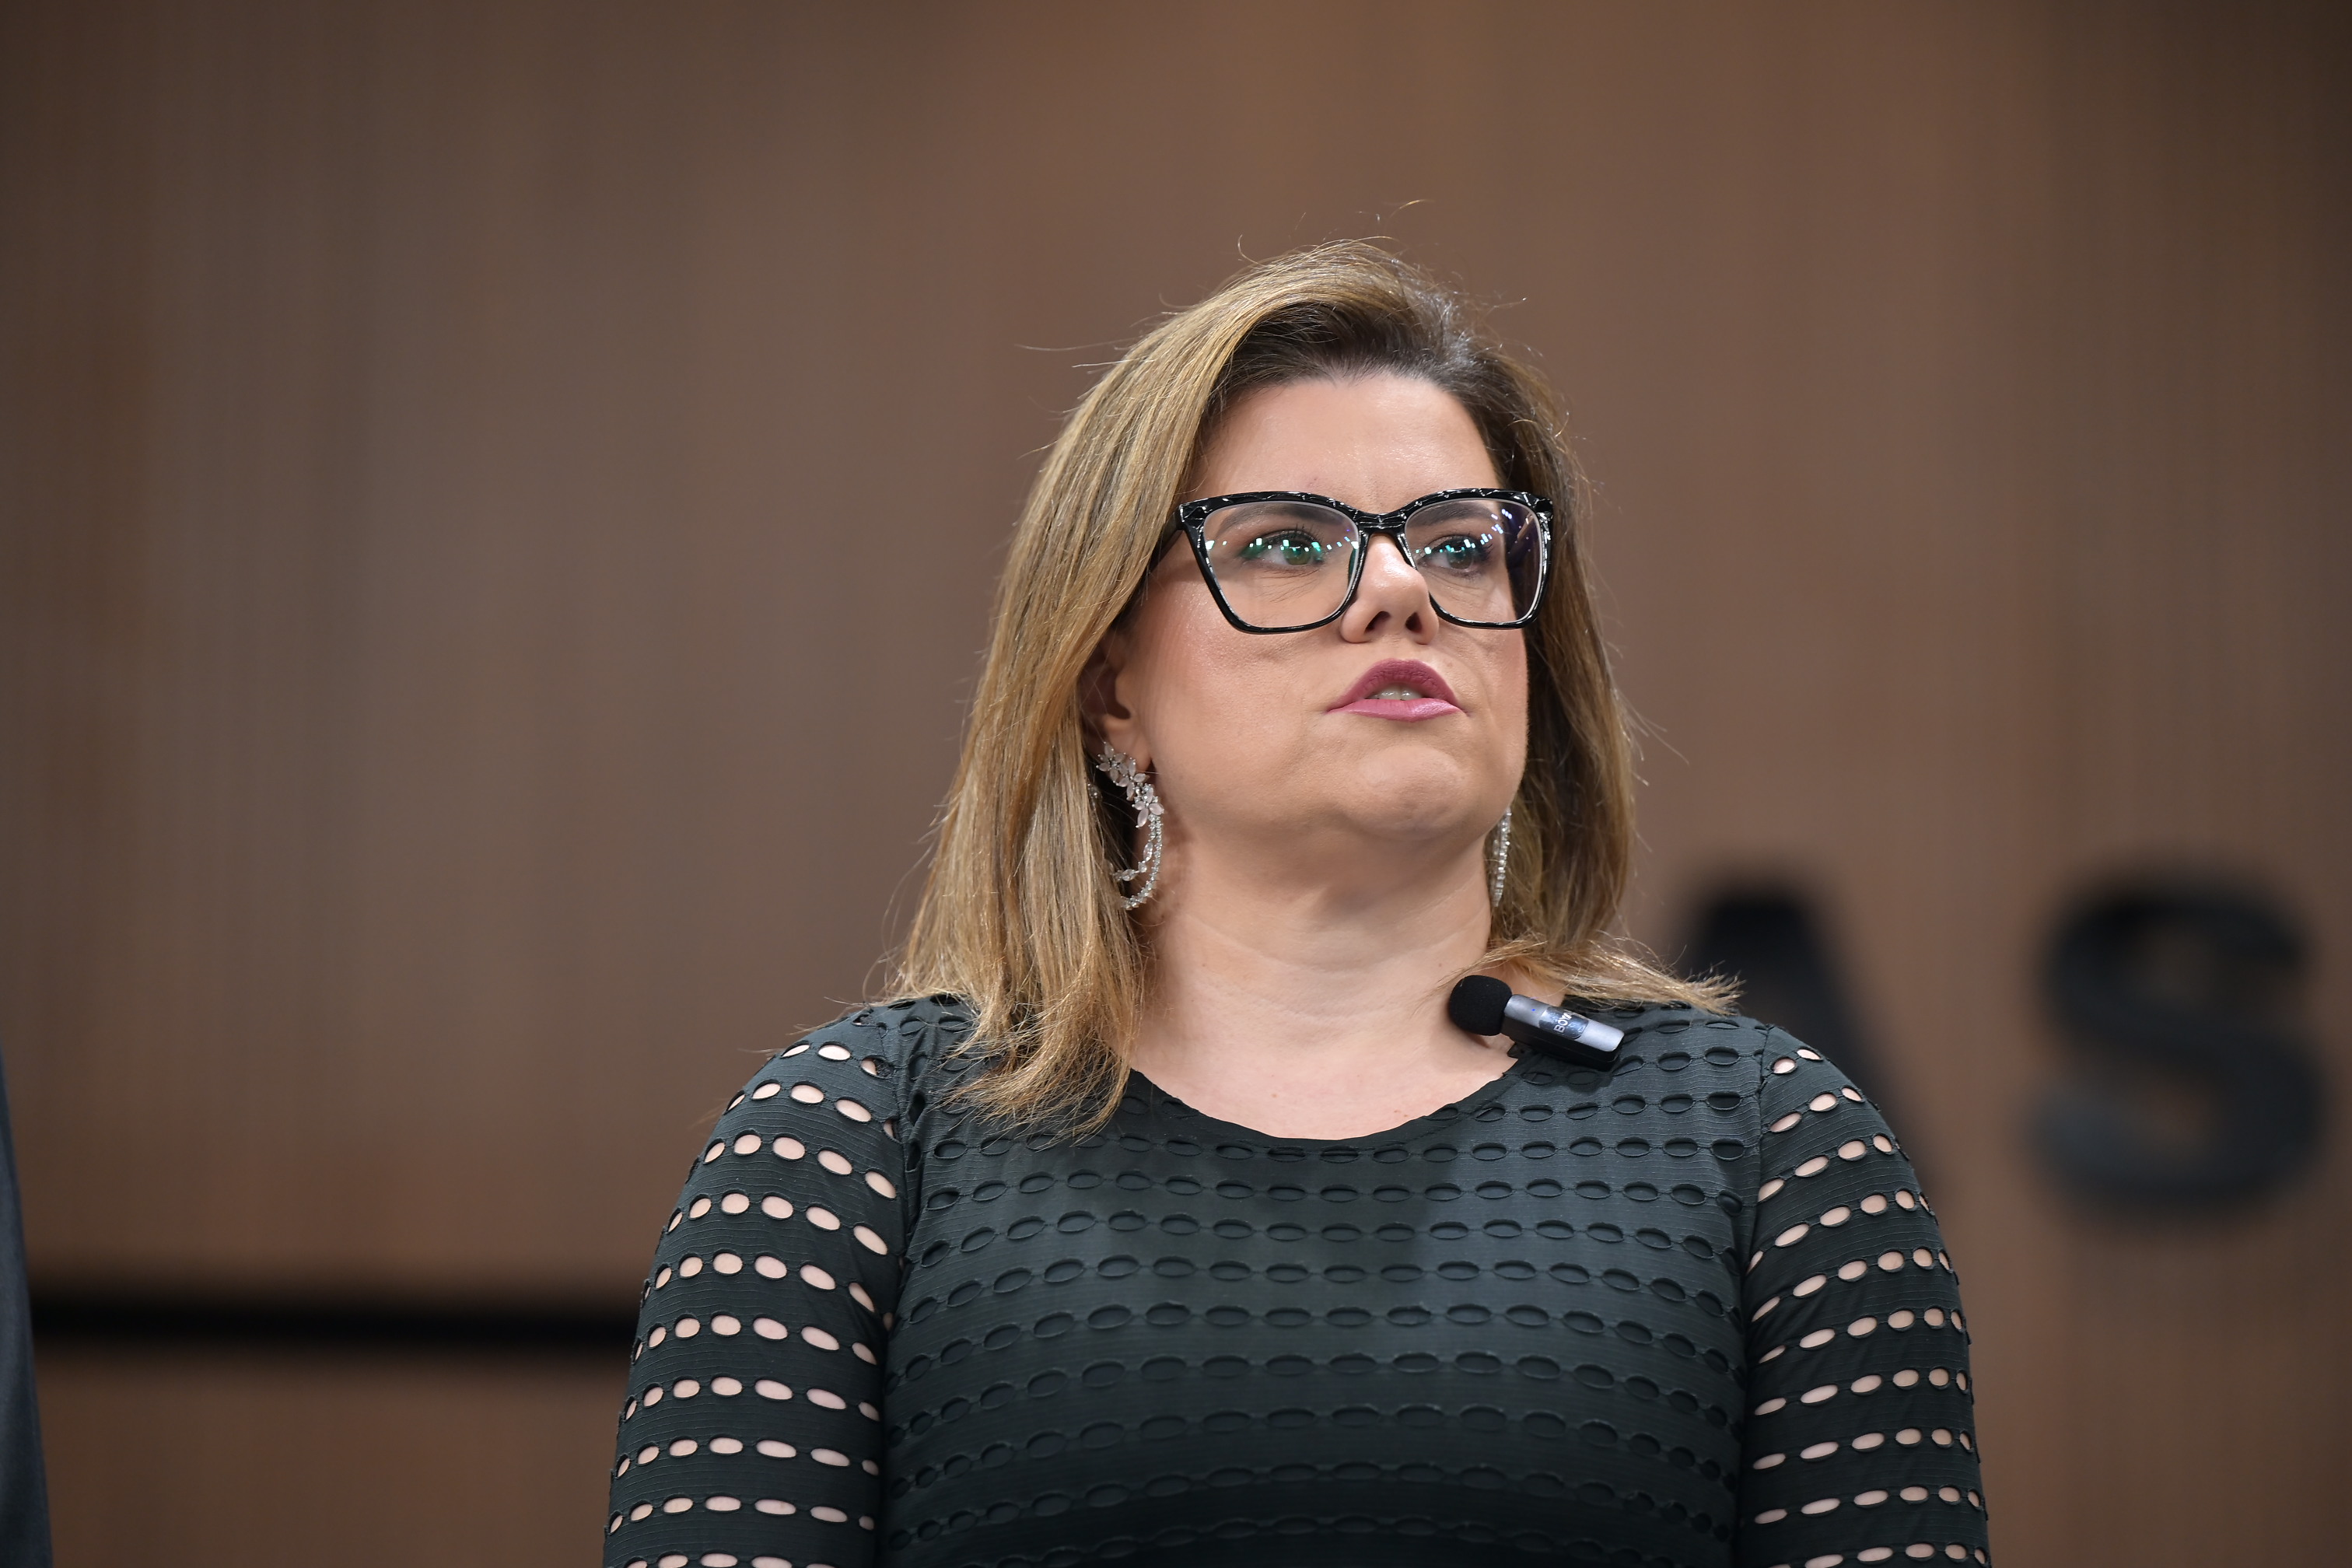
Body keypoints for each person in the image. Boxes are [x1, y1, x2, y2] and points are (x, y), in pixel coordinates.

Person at [603, 244, 1988, 1568]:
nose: (1400, 590)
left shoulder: (1771, 1148)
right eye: (1282, 542)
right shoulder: (856, 1144)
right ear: (1110, 685)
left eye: (1462, 546)